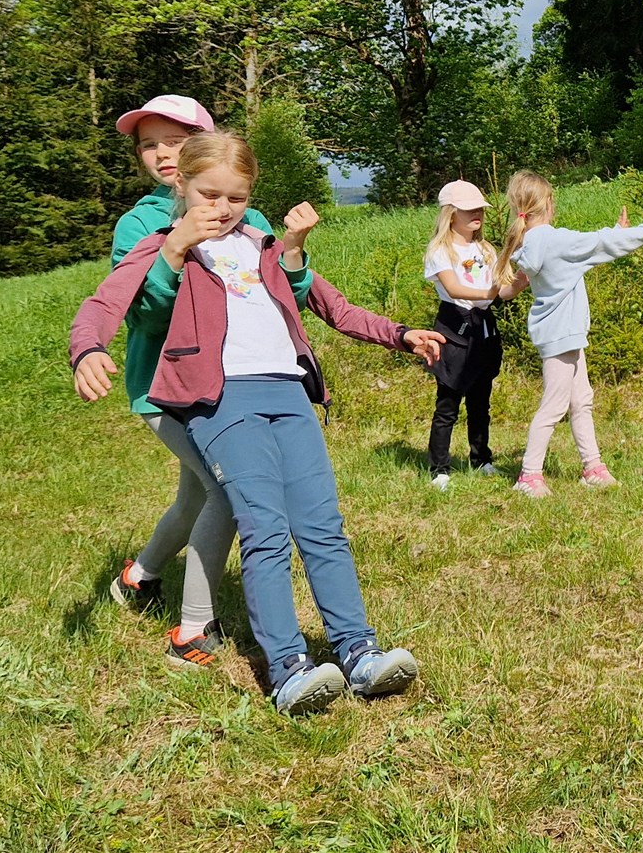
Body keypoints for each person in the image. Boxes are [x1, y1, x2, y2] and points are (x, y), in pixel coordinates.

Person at [71, 133, 449, 714]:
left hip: (288, 391)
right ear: (182, 185)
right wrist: (89, 350)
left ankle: (359, 651)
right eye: (209, 195)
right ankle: (288, 667)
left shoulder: (261, 243)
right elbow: (108, 304)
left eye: (237, 197)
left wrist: (399, 335)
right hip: (222, 399)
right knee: (264, 529)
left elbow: (330, 304)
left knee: (323, 526)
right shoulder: (160, 244)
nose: (223, 208)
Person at [100, 94, 306, 668]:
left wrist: (294, 254)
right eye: (148, 145)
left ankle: (140, 576)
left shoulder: (250, 219)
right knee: (225, 491)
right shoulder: (140, 224)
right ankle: (192, 628)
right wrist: (175, 246)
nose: (162, 153)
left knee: (196, 492)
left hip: (232, 387)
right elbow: (143, 315)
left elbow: (288, 295)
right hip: (163, 390)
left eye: (175, 141)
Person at [495, 171, 643, 496]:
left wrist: (615, 233)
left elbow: (587, 250)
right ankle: (529, 476)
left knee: (582, 400)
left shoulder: (534, 242)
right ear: (548, 203)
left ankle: (593, 467)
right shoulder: (555, 240)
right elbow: (597, 244)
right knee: (554, 406)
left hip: (564, 335)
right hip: (561, 336)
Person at [423, 180, 524, 489]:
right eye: (469, 210)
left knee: (481, 403)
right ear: (451, 214)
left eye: (479, 209)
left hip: (484, 330)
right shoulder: (440, 250)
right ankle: (439, 469)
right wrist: (488, 292)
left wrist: (525, 278)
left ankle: (481, 460)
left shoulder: (485, 249)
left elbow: (502, 291)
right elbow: (454, 288)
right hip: (454, 331)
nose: (477, 214)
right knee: (448, 405)